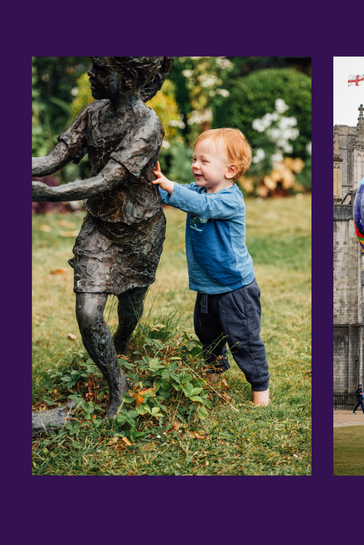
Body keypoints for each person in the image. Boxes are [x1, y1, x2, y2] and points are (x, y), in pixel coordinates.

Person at [30, 57, 173, 417]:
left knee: (130, 307)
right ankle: (116, 382)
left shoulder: (147, 123)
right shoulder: (93, 112)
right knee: (89, 312)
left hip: (141, 229)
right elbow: (54, 159)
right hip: (100, 225)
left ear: (126, 79)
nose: (91, 75)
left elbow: (106, 179)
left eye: (101, 70)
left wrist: (46, 194)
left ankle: (123, 342)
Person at [151, 128, 271, 406]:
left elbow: (201, 205)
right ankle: (215, 375)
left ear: (230, 170)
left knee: (244, 341)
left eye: (204, 161)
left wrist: (172, 188)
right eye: (194, 159)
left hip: (234, 288)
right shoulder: (198, 190)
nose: (195, 165)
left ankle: (260, 390)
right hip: (207, 285)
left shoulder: (230, 199)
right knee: (207, 335)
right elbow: (178, 197)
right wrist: (157, 184)